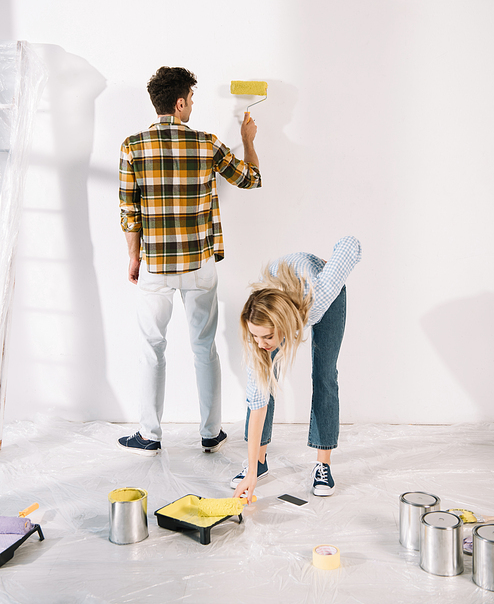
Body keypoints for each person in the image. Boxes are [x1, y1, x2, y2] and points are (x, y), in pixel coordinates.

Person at [118, 67, 261, 455]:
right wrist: (248, 140)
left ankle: (149, 435)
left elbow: (128, 212)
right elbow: (251, 179)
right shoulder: (206, 143)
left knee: (152, 347)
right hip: (199, 265)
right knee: (204, 347)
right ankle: (211, 433)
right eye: (192, 100)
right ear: (180, 103)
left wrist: (135, 257)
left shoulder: (132, 146)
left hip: (156, 266)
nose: (192, 106)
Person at [231, 235, 361, 499]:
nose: (261, 343)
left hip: (319, 289)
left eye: (268, 337)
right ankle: (259, 461)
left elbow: (350, 243)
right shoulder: (256, 326)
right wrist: (251, 474)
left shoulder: (320, 296)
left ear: (285, 327)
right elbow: (257, 402)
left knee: (325, 374)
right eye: (256, 336)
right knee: (261, 382)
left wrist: (331, 266)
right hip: (279, 296)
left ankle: (323, 464)